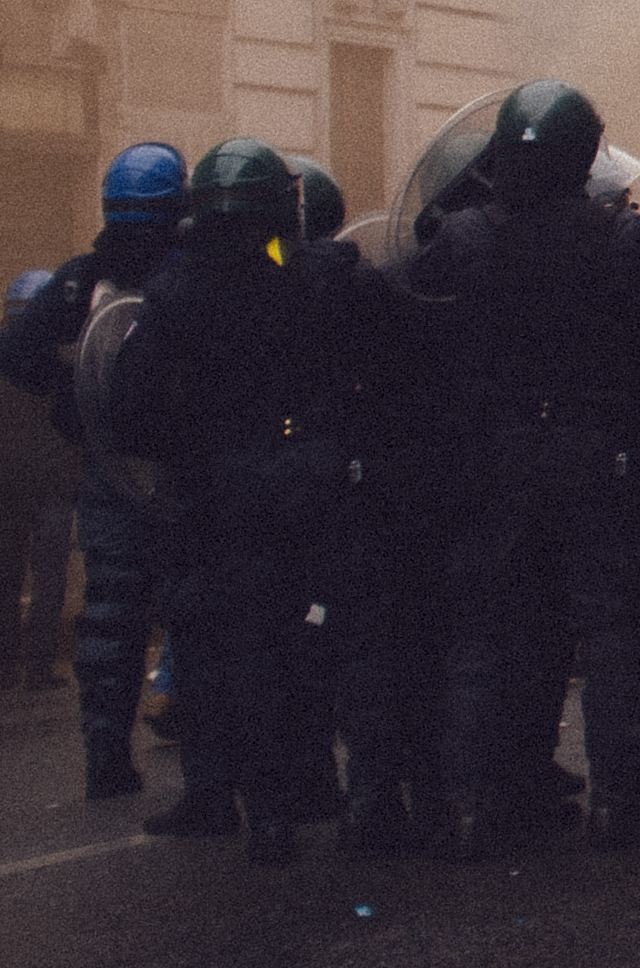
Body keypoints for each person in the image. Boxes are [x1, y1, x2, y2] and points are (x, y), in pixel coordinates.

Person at [402, 82, 640, 858]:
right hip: (593, 457)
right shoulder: (622, 241)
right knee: (610, 633)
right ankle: (617, 801)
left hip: (493, 460)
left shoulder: (462, 239)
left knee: (484, 634)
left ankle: (475, 805)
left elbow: (409, 337)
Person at [116, 140, 422, 861]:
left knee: (248, 654)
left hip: (226, 497)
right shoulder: (332, 277)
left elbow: (130, 405)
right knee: (359, 642)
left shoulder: (176, 292)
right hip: (324, 486)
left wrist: (195, 454)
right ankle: (370, 806)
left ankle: (271, 819)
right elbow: (400, 379)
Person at [0, 141, 188, 797]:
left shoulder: (82, 277)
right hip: (182, 468)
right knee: (195, 608)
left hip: (107, 470)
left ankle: (107, 753)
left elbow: (13, 353)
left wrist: (69, 375)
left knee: (110, 613)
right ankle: (209, 776)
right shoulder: (185, 272)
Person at [0, 268, 69, 689]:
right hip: (53, 485)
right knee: (49, 579)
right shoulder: (59, 360)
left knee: (4, 578)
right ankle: (39, 665)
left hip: (2, 488)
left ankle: (2, 667)